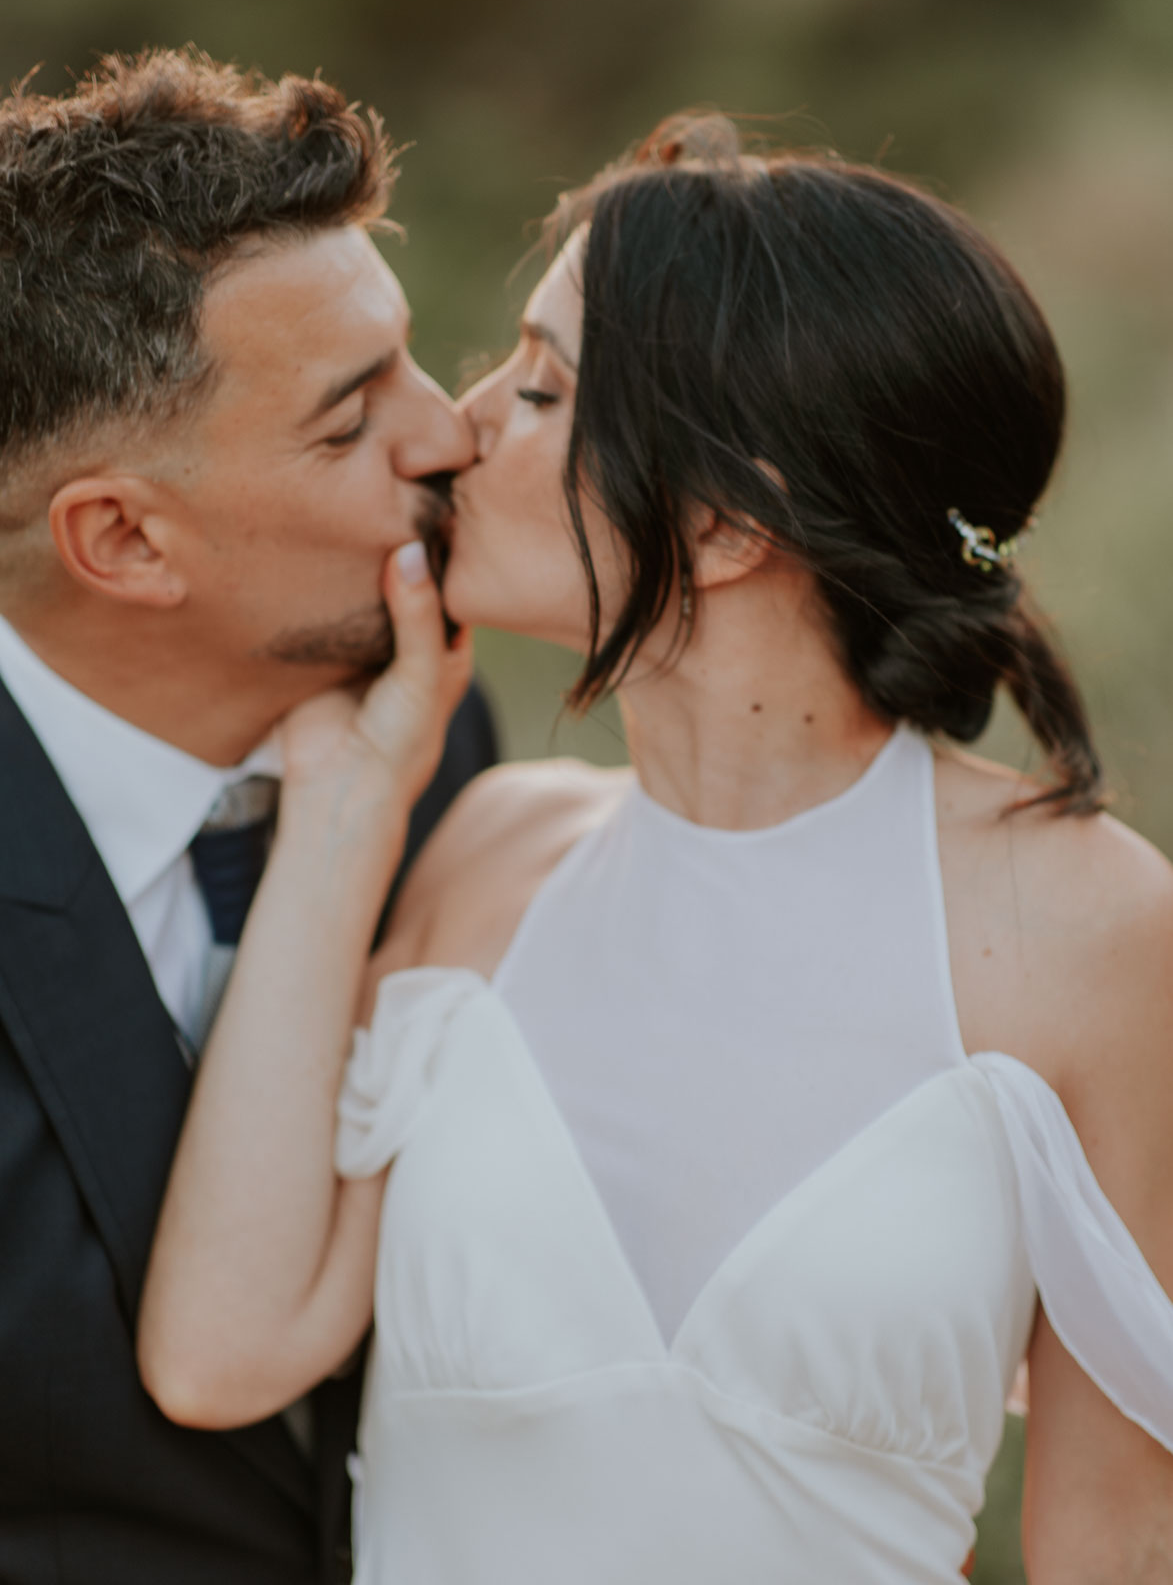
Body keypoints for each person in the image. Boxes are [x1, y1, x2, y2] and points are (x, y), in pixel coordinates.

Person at [140, 114, 1173, 1582]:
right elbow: (221, 1352)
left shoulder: (1085, 925)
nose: (462, 424)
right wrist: (353, 804)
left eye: (544, 387)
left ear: (733, 520)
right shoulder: (487, 856)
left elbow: (1120, 1534)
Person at [0, 48, 496, 1585]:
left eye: (413, 361)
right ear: (128, 539)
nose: (452, 436)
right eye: (351, 425)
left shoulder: (437, 730)